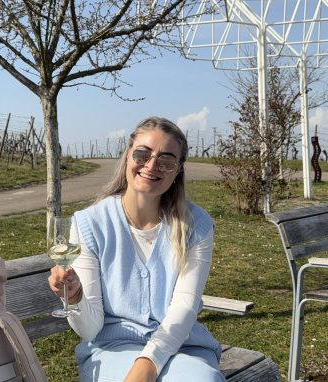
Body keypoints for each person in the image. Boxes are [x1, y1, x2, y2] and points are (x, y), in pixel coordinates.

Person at [48, 117, 224, 382]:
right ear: (128, 155)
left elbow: (185, 307)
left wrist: (148, 363)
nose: (151, 165)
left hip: (182, 347)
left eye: (166, 160)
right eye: (142, 154)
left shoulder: (196, 224)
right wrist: (75, 298)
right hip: (112, 349)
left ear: (178, 170)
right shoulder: (90, 223)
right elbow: (89, 330)